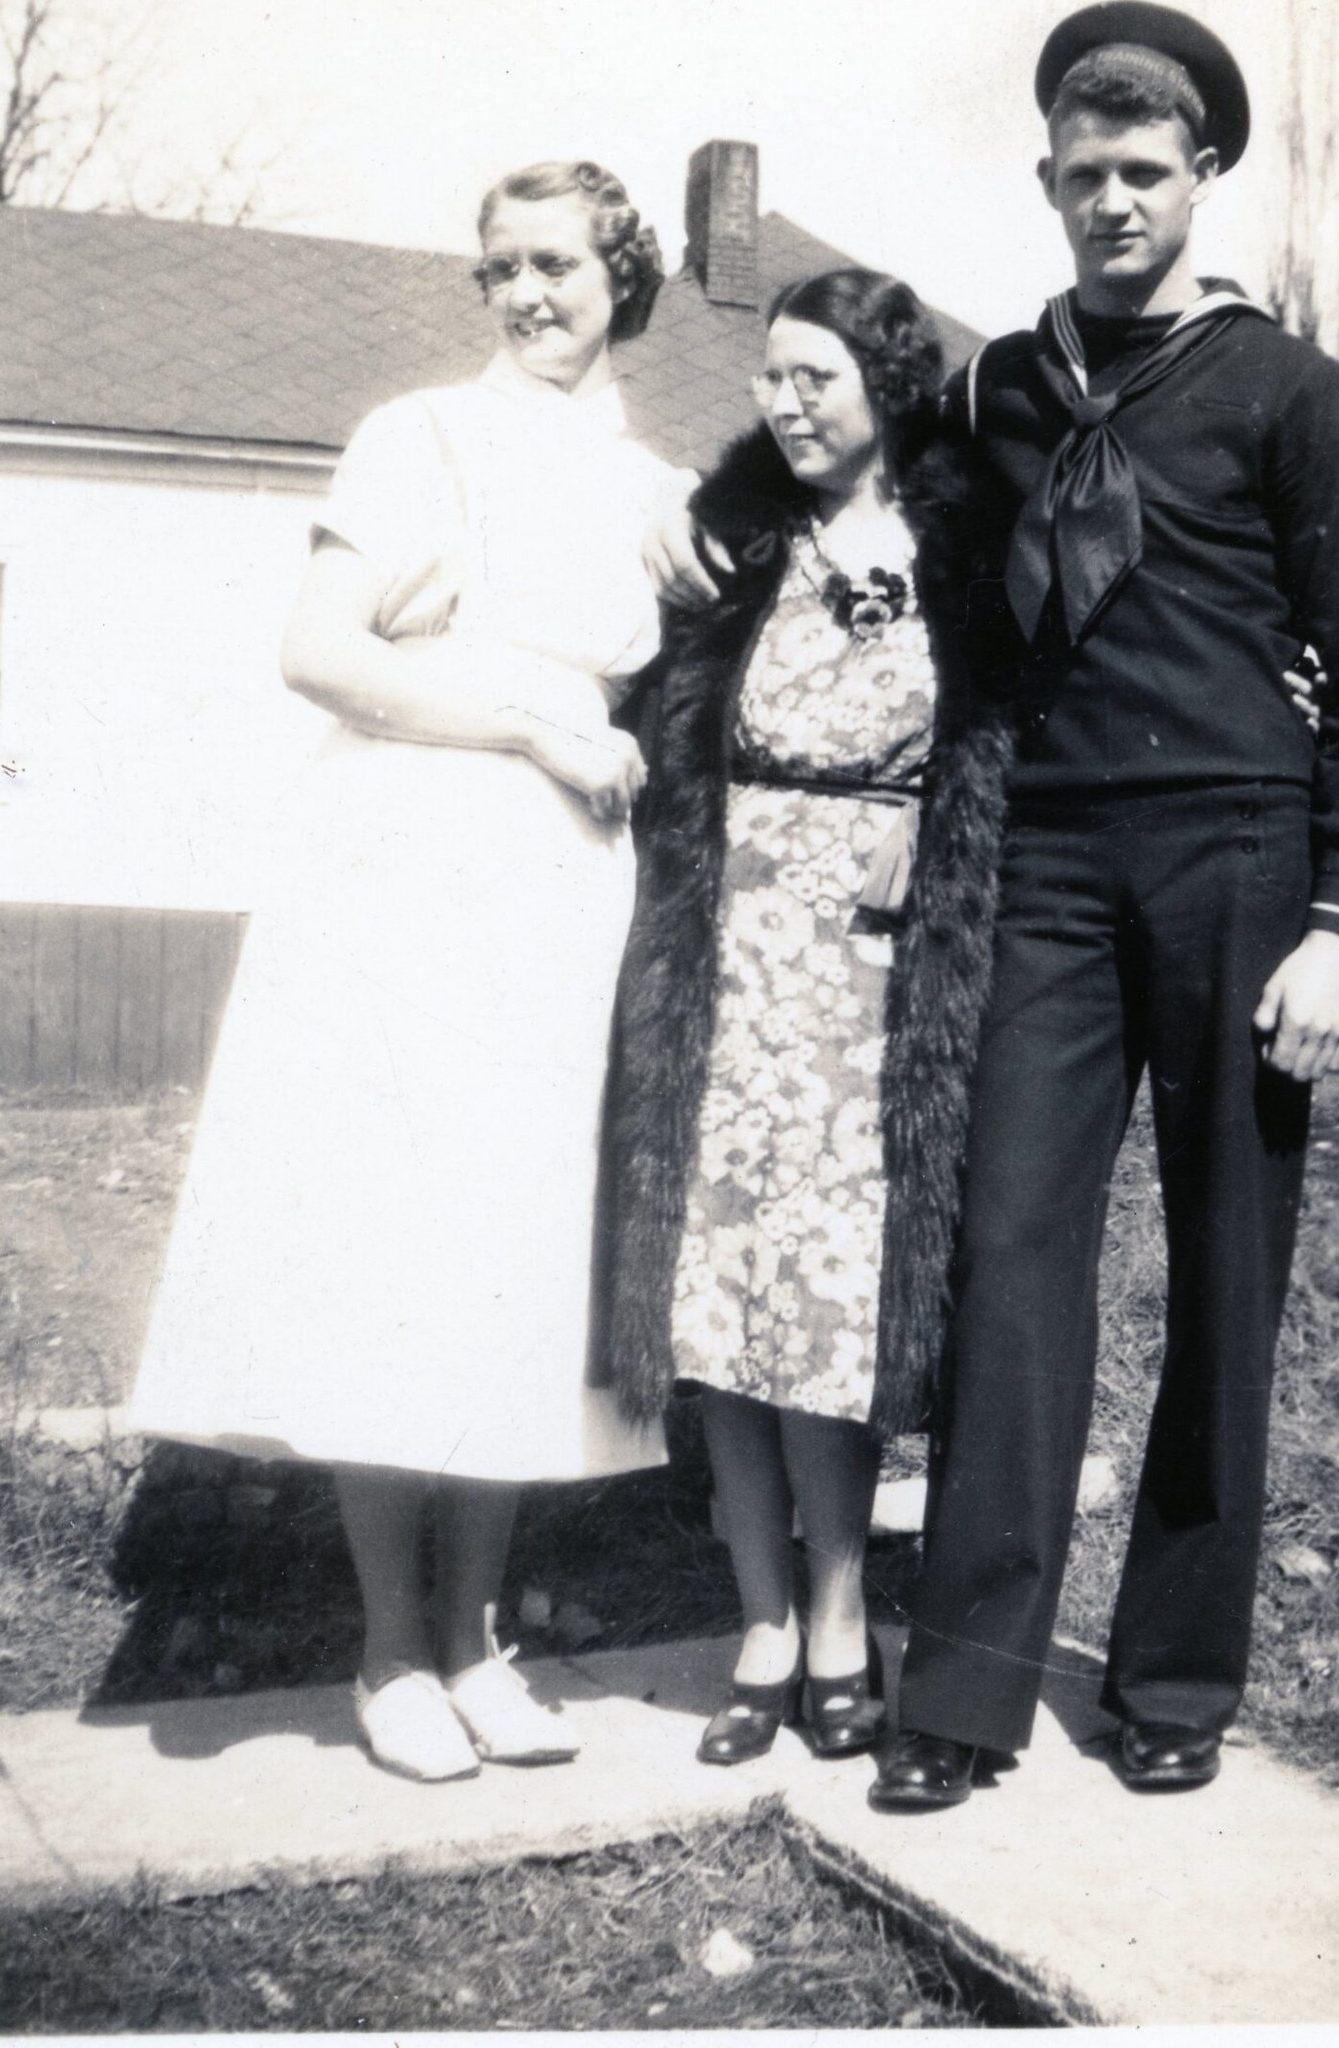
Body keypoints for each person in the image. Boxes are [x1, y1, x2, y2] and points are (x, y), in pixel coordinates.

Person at [867, 2, 1339, 1812]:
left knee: (1223, 1274)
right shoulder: (1005, 387)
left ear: (1201, 180)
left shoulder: (1289, 391)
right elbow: (932, 586)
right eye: (1080, 175)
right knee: (1008, 1254)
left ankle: (1177, 1675)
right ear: (1044, 181)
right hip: (1044, 860)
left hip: (1240, 868)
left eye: (1143, 173)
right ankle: (959, 1692)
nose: (1110, 203)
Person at [130, 160, 689, 1784]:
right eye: (503, 267)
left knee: (509, 1257)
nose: (528, 295)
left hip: (558, 891)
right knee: (392, 1236)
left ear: (622, 278)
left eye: (560, 266)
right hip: (398, 872)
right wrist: (519, 719)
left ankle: (480, 1638)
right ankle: (389, 1645)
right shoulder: (414, 435)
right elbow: (317, 650)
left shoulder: (650, 486)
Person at [604, 268, 1024, 1766]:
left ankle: (843, 1616)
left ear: (888, 388)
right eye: (770, 380)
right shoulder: (732, 536)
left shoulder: (963, 543)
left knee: (832, 1307)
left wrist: (935, 818)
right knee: (719, 1294)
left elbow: (1007, 728)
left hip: (870, 969)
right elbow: (641, 693)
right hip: (725, 949)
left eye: (816, 379)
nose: (784, 405)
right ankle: (762, 1623)